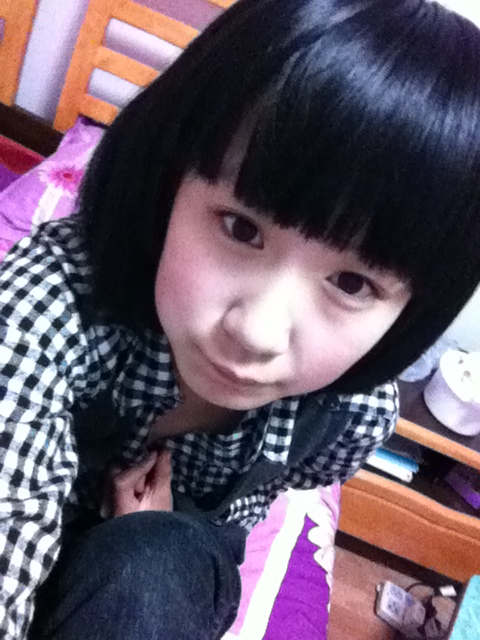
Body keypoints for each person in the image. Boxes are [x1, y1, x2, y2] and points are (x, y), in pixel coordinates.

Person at [2, 0, 480, 637]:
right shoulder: (51, 303)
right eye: (240, 227)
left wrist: (154, 531)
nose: (256, 332)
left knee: (149, 561)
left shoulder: (349, 414)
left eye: (351, 283)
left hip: (179, 557)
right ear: (168, 180)